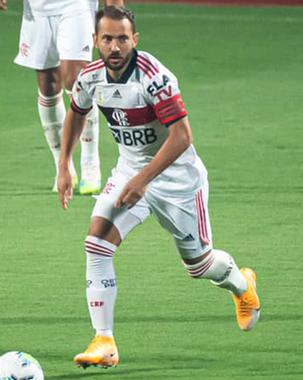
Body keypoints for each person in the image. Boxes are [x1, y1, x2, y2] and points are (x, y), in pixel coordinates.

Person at [57, 5, 261, 369]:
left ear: (135, 40)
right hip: (130, 174)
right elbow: (76, 110)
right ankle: (105, 341)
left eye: (122, 38)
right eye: (107, 39)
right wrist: (65, 165)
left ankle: (243, 285)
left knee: (198, 265)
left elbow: (182, 137)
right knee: (97, 243)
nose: (115, 46)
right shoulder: (90, 77)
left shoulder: (154, 78)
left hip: (178, 181)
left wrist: (143, 180)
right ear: (95, 41)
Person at [1, 0, 124, 194]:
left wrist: (114, 8)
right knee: (48, 85)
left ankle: (90, 162)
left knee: (76, 80)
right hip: (37, 10)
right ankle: (63, 166)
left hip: (76, 5)